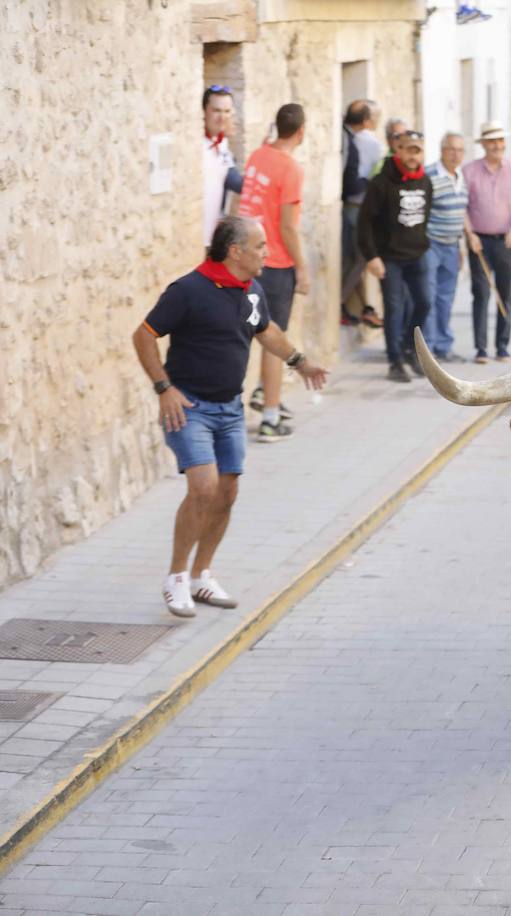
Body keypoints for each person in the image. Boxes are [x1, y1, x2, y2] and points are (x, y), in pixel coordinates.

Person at [133, 216, 328, 617]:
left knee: (227, 493)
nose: (266, 253)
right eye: (260, 246)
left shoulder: (251, 291)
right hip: (190, 408)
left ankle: (203, 575)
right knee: (203, 488)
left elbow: (266, 330)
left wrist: (299, 362)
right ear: (235, 251)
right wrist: (163, 389)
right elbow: (144, 335)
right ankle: (176, 578)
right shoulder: (188, 290)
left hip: (230, 409)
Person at [236, 103, 308, 442]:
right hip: (276, 262)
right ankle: (270, 417)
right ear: (301, 132)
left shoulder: (256, 156)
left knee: (244, 336)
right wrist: (303, 269)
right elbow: (288, 227)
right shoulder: (290, 169)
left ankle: (262, 396)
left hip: (246, 261)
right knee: (274, 342)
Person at [358, 128, 433, 382]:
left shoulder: (425, 181)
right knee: (394, 307)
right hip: (389, 257)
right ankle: (395, 360)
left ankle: (410, 349)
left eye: (417, 150)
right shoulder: (381, 183)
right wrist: (371, 256)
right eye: (408, 149)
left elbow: (425, 216)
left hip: (417, 254)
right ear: (398, 150)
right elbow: (364, 222)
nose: (412, 156)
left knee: (424, 302)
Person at [462, 122, 511, 364]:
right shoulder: (469, 171)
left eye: (500, 141)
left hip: (508, 240)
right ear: (483, 144)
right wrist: (469, 234)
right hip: (479, 241)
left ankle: (502, 346)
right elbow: (463, 206)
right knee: (481, 293)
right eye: (492, 141)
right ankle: (481, 348)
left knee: (506, 293)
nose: (497, 145)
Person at [422, 131, 469, 363]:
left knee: (446, 298)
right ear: (442, 150)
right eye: (451, 149)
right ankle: (428, 348)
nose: (455, 154)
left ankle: (443, 345)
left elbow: (460, 215)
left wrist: (461, 248)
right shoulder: (429, 175)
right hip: (431, 245)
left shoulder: (461, 177)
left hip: (451, 246)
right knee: (429, 297)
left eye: (460, 150)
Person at [341, 100, 384, 329]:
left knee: (354, 258)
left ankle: (364, 307)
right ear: (367, 121)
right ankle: (342, 302)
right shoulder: (369, 141)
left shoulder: (349, 136)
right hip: (359, 206)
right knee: (360, 259)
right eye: (376, 116)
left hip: (349, 205)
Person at [202, 86, 238, 249]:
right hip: (196, 239)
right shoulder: (196, 143)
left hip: (214, 240)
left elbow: (236, 182)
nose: (222, 117)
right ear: (205, 111)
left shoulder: (222, 143)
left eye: (227, 111)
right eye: (216, 110)